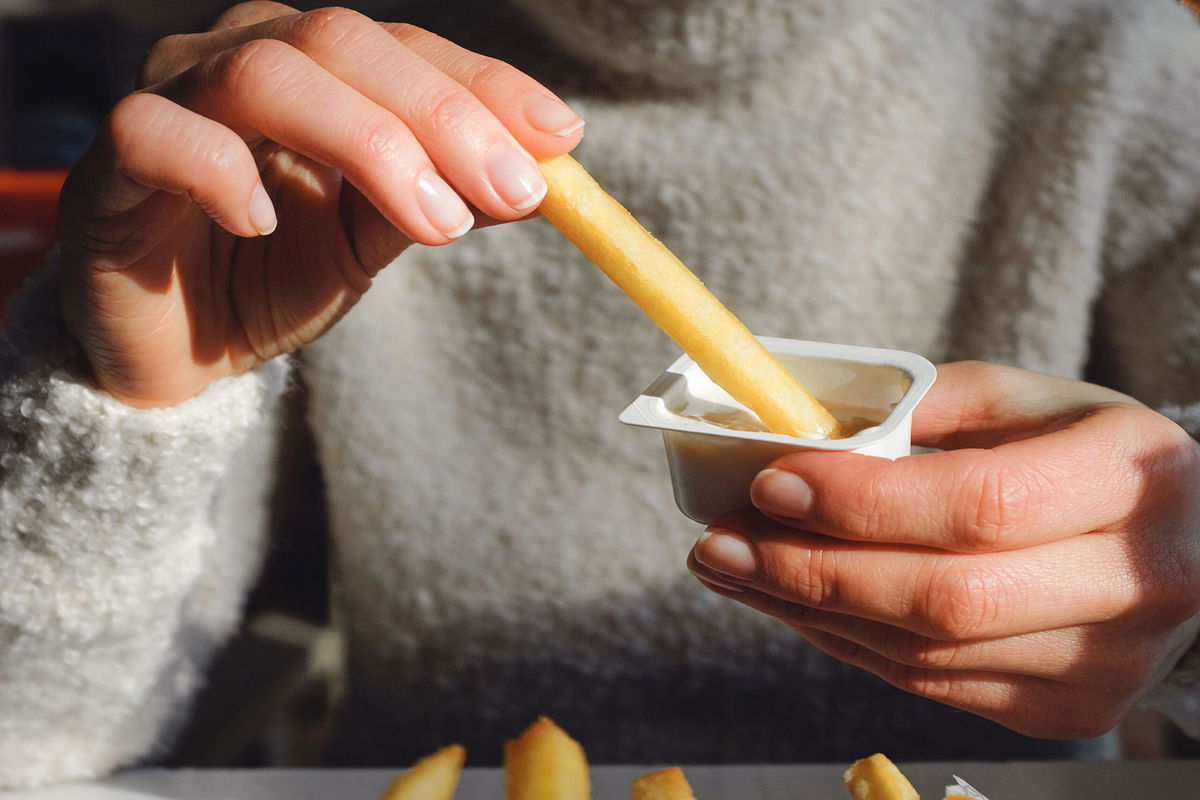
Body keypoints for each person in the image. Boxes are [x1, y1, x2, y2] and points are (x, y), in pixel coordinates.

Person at [2, 0, 1200, 788]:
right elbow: (32, 749)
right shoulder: (291, 102)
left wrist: (1186, 580)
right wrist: (123, 416)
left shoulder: (1121, 60)